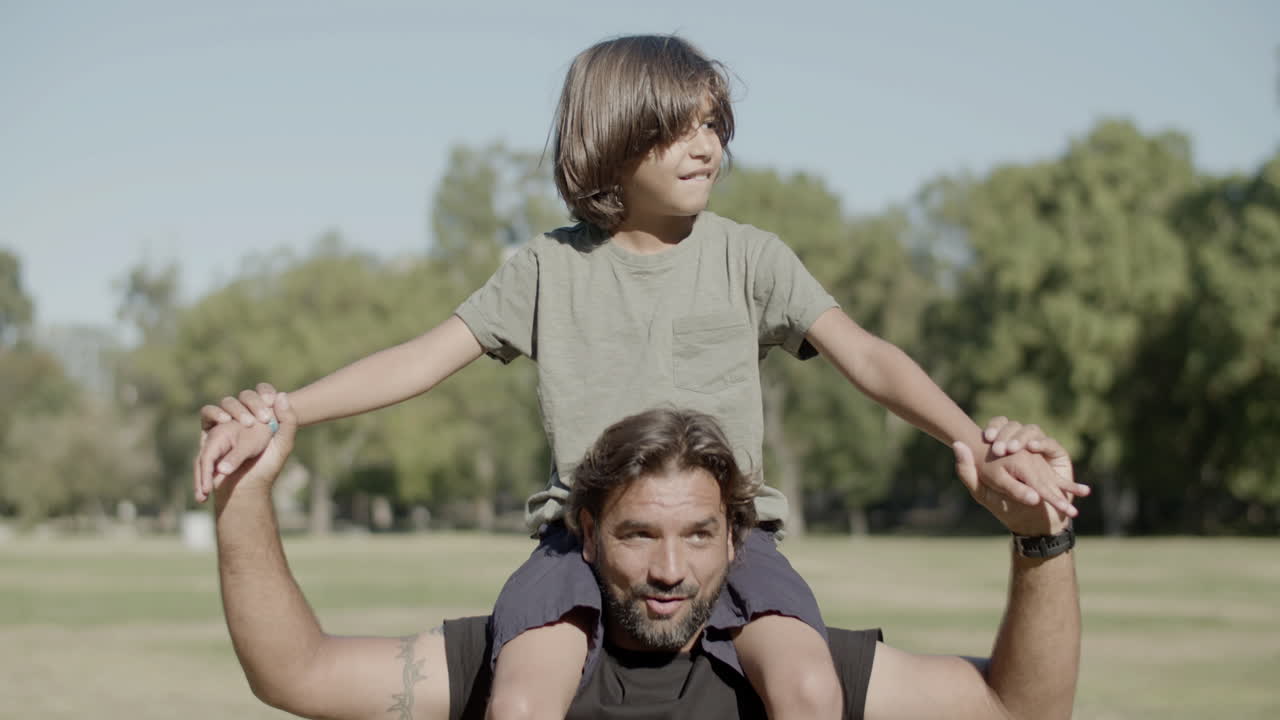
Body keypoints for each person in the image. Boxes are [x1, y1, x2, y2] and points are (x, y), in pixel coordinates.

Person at [195, 34, 1087, 720]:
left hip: (734, 539)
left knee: (810, 687)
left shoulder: (751, 258)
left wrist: (976, 440)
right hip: (575, 543)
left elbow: (869, 358)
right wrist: (284, 411)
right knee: (521, 696)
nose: (705, 148)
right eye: (677, 129)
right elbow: (420, 359)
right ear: (612, 140)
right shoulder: (546, 269)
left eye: (714, 127)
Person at [213, 401, 1080, 720]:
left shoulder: (788, 668)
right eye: (637, 536)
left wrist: (1042, 540)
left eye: (698, 535)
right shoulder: (512, 658)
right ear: (587, 534)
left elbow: (1021, 709)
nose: (671, 569)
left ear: (736, 539)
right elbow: (296, 673)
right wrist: (244, 497)